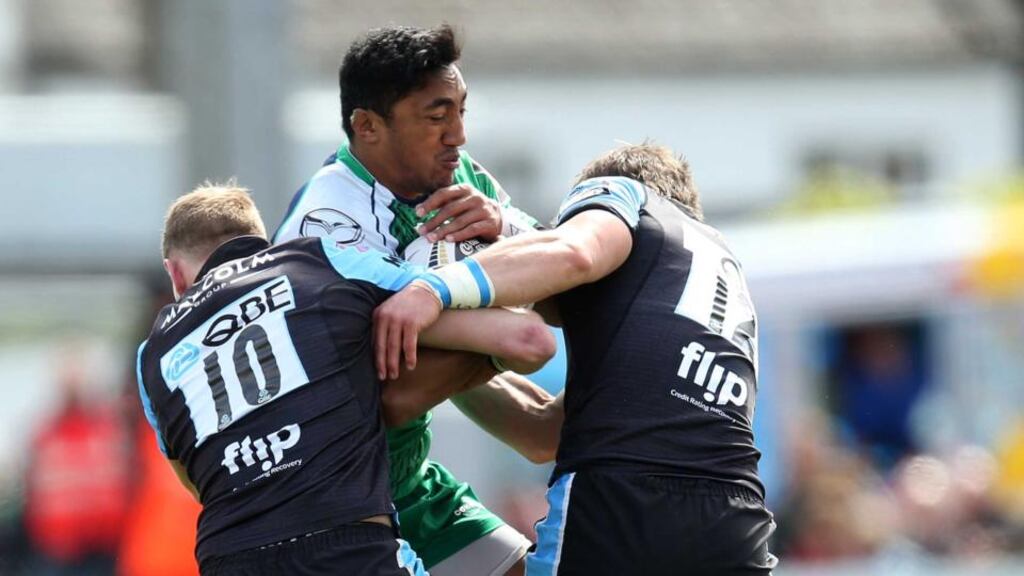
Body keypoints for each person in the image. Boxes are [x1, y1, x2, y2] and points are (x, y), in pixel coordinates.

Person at [375, 144, 779, 575]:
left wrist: (435, 289)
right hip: (735, 523)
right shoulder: (704, 281)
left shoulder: (629, 193)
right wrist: (457, 354)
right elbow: (541, 432)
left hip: (622, 506)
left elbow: (575, 254)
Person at [136, 184, 554, 575]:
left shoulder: (151, 354)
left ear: (175, 275)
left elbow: (197, 482)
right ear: (264, 243)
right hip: (349, 540)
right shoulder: (317, 260)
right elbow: (523, 339)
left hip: (231, 556)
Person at [274, 24, 550, 576]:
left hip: (410, 473)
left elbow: (552, 254)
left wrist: (503, 226)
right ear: (368, 127)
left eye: (460, 112)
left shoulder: (455, 175)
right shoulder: (325, 222)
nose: (458, 136)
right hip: (339, 492)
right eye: (436, 116)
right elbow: (513, 328)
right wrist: (484, 288)